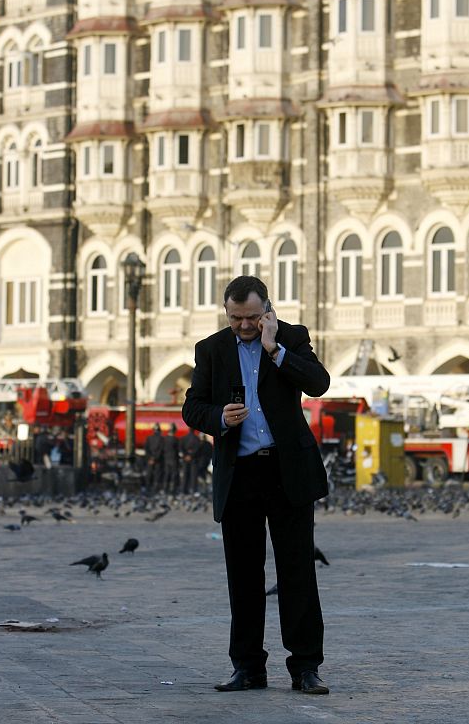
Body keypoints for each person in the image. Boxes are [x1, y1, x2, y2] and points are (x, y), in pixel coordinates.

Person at [182, 275, 331, 695]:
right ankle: (247, 667)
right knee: (243, 577)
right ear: (226, 312)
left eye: (251, 317)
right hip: (241, 474)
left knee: (297, 572)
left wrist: (275, 349)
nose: (244, 326)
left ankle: (305, 667)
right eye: (235, 318)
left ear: (266, 308)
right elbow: (192, 406)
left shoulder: (292, 338)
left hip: (287, 473)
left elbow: (319, 385)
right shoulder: (211, 349)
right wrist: (217, 418)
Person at [144, 423, 165, 493]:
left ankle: (147, 488)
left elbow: (146, 449)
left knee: (149, 474)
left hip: (150, 460)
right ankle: (155, 489)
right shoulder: (162, 439)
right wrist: (155, 458)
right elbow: (161, 450)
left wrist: (150, 458)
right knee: (157, 474)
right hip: (158, 460)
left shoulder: (149, 438)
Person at [180, 427, 201, 495]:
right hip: (194, 459)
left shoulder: (183, 438)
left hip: (185, 459)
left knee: (185, 474)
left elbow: (181, 448)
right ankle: (194, 490)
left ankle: (184, 490)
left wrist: (185, 456)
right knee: (193, 475)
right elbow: (198, 449)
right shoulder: (197, 438)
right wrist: (191, 455)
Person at [162, 423, 181, 495]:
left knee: (167, 474)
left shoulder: (165, 439)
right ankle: (172, 490)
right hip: (174, 460)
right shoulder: (175, 440)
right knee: (173, 475)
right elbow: (178, 450)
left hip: (166, 459)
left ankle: (165, 489)